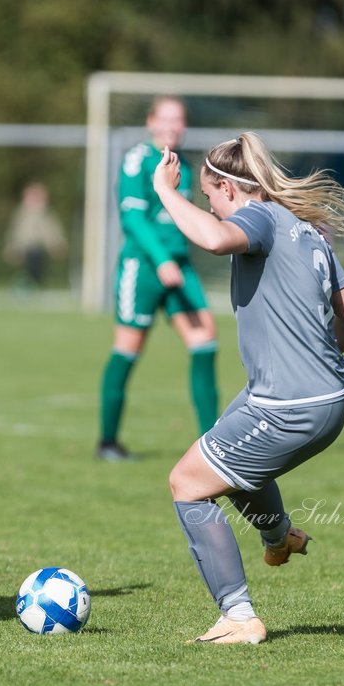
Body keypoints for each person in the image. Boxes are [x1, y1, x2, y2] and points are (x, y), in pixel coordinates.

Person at [152, 131, 344, 644]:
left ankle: (239, 617)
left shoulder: (261, 217)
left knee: (188, 483)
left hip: (288, 403)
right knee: (227, 450)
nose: (211, 206)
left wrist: (166, 192)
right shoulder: (308, 230)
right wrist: (314, 360)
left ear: (228, 187)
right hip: (328, 395)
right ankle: (280, 536)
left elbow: (214, 239)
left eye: (209, 196)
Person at [96, 96, 219, 461]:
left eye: (178, 120)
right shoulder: (138, 160)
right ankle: (108, 442)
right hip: (144, 269)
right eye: (165, 118)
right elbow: (132, 219)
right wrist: (161, 259)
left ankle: (213, 445)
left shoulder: (187, 164)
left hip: (180, 268)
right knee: (128, 350)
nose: (172, 126)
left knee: (206, 342)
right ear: (151, 122)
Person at [3, 181, 67, 289]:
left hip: (40, 248)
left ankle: (35, 284)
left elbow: (52, 232)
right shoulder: (22, 214)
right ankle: (27, 285)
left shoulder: (46, 215)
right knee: (28, 267)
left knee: (38, 266)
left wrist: (57, 244)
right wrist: (12, 247)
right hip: (25, 248)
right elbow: (16, 233)